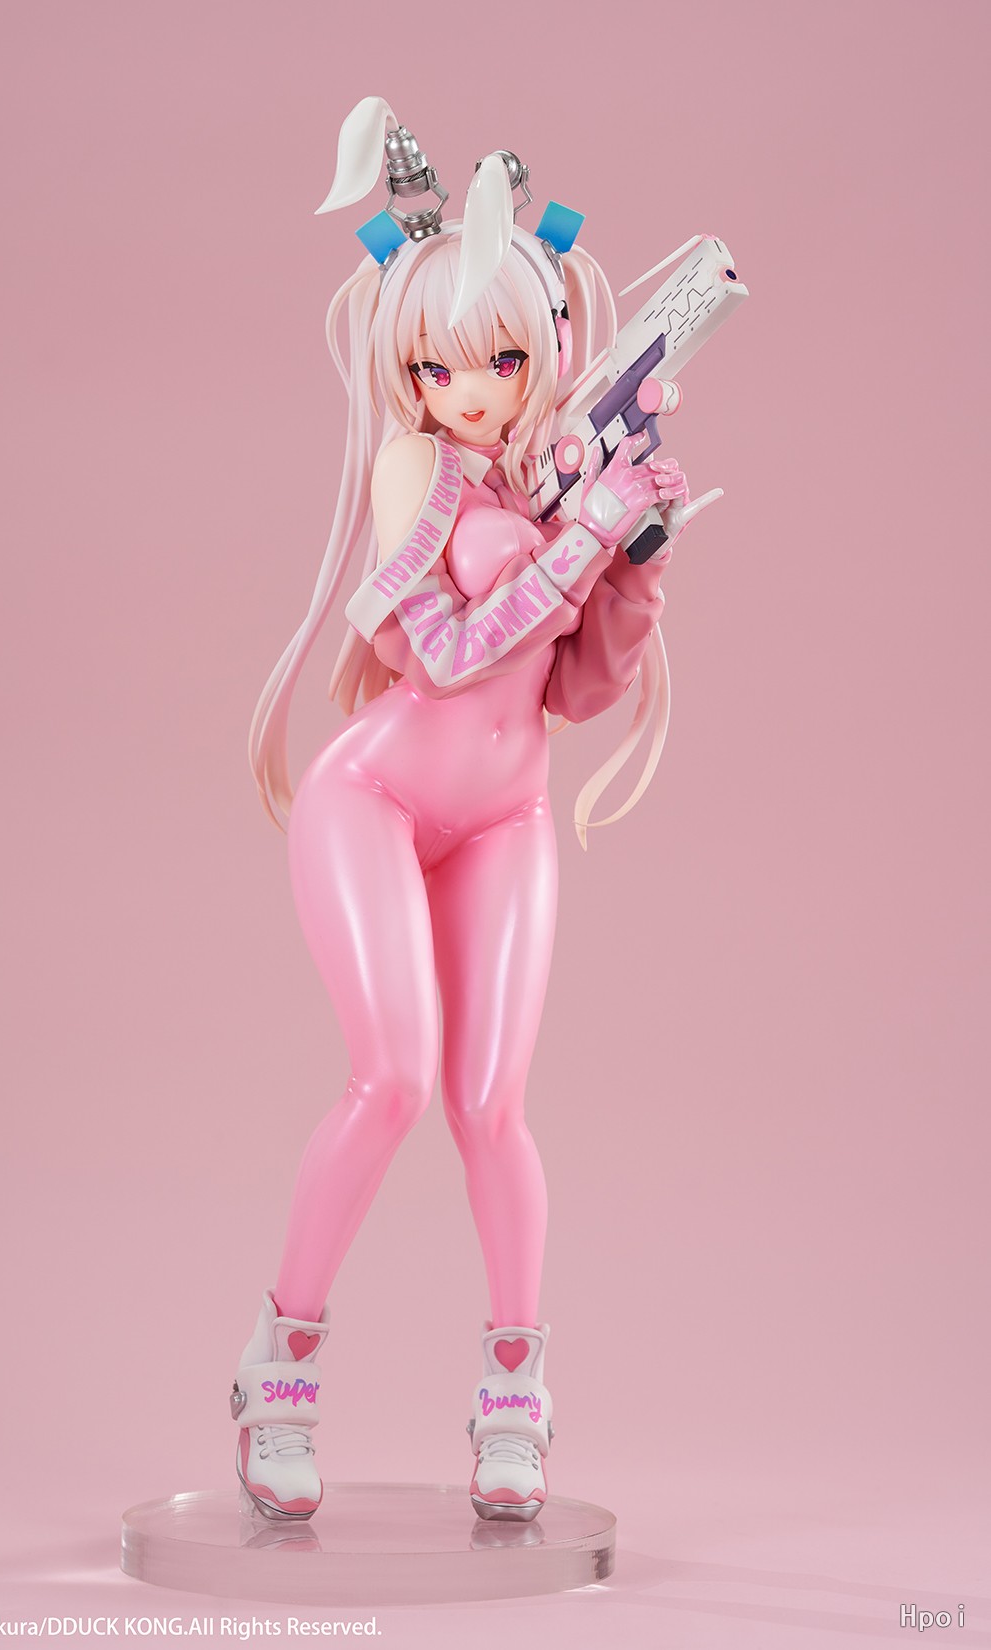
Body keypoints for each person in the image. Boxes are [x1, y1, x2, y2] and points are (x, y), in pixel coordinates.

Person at [231, 98, 702, 1524]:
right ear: (406, 367)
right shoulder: (413, 470)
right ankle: (279, 1368)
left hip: (506, 815)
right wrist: (577, 543)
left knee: (493, 1104)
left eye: (501, 358)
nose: (472, 390)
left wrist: (636, 552)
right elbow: (439, 650)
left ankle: (516, 1392)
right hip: (376, 794)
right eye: (438, 365)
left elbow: (577, 691)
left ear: (545, 345)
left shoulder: (554, 474)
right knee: (391, 1080)